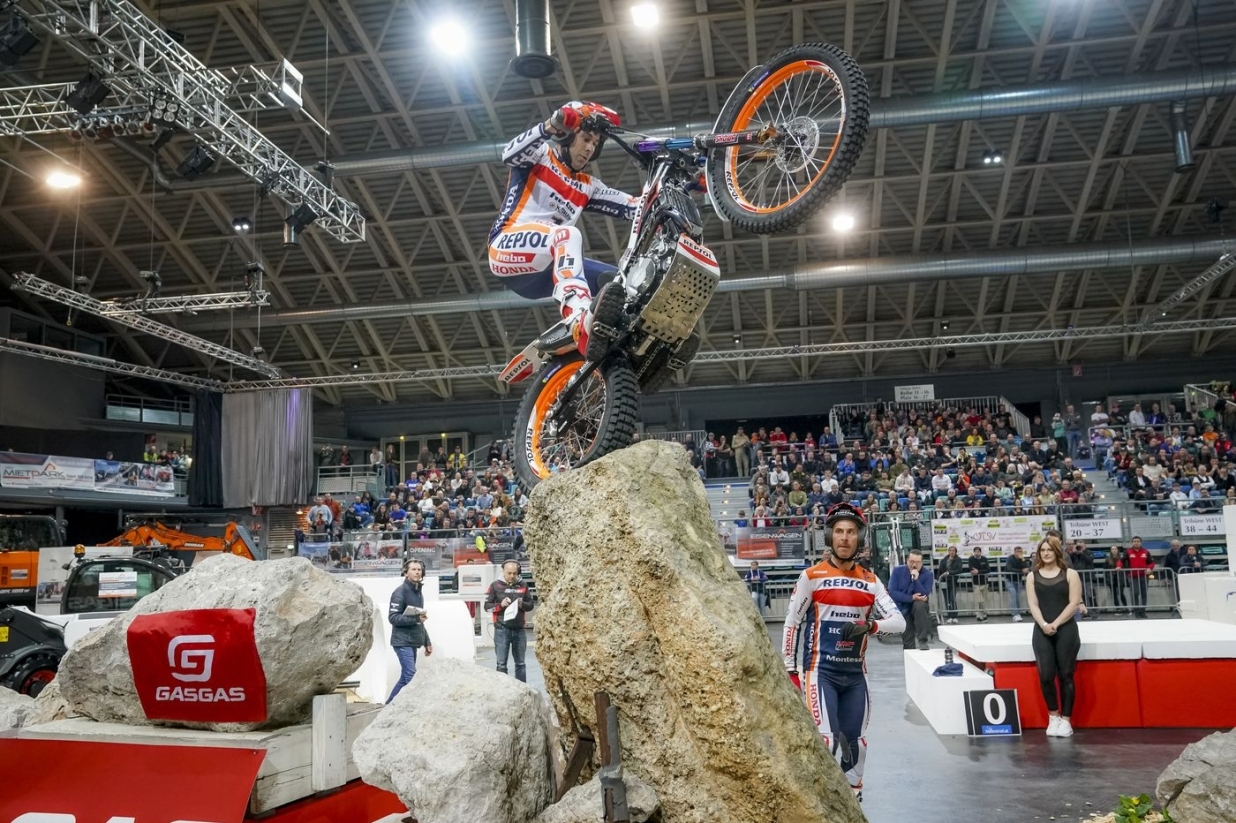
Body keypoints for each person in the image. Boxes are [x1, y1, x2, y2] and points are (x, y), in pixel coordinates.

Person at [489, 102, 637, 360]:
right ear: (568, 136)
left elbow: (635, 206)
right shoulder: (541, 155)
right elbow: (508, 154)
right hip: (505, 248)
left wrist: (686, 183)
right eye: (586, 139)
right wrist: (551, 125)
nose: (590, 148)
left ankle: (625, 345)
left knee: (621, 282)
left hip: (544, 274)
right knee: (567, 234)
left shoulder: (588, 185)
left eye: (595, 143)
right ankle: (576, 314)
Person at [782, 503, 905, 802]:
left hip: (855, 677)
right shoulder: (811, 576)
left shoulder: (871, 581)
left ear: (859, 538)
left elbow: (899, 623)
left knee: (857, 745)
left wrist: (870, 626)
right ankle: (817, 804)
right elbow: (792, 623)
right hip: (820, 672)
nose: (845, 538)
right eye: (838, 531)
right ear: (829, 537)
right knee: (826, 741)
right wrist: (791, 671)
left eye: (851, 532)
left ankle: (851, 802)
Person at [1026, 535, 1083, 737]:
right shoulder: (1032, 576)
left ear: (1057, 551)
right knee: (1046, 675)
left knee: (1066, 675)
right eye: (1043, 550)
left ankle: (1066, 720)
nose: (1046, 553)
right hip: (1041, 630)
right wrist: (1043, 624)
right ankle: (1053, 716)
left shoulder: (1071, 574)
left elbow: (1074, 603)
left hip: (1066, 629)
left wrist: (1056, 624)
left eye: (1050, 549)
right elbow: (1033, 604)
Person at [386, 559, 433, 702]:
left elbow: (420, 618)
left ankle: (388, 706)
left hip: (413, 641)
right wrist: (416, 619)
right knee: (411, 676)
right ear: (406, 572)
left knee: (405, 677)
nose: (417, 572)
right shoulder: (399, 592)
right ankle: (391, 707)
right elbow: (393, 618)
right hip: (402, 641)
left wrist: (427, 641)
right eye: (413, 569)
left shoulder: (418, 592)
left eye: (419, 569)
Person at [484, 559, 535, 682]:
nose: (512, 576)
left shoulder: (523, 585)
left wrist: (522, 604)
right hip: (502, 630)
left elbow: (531, 605)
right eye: (509, 573)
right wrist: (500, 605)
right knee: (501, 664)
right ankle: (503, 691)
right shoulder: (495, 586)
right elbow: (487, 607)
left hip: (519, 630)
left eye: (514, 573)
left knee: (521, 664)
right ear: (503, 571)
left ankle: (522, 690)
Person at [888, 551, 935, 650]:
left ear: (922, 562)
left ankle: (923, 640)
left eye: (917, 562)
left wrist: (916, 580)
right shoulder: (897, 571)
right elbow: (892, 592)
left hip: (919, 609)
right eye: (911, 561)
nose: (914, 565)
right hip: (902, 609)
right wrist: (911, 598)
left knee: (919, 604)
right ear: (907, 560)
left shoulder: (928, 575)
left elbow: (924, 594)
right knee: (908, 644)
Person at [1123, 536, 1154, 618]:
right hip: (1132, 576)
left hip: (1143, 576)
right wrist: (1119, 566)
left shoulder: (1146, 552)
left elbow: (1151, 563)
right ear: (1132, 542)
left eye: (1138, 541)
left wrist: (1149, 568)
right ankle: (1136, 611)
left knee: (1144, 594)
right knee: (1135, 593)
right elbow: (1121, 561)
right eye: (1134, 541)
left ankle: (1143, 612)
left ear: (1141, 542)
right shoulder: (1128, 552)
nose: (1136, 542)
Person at [936, 546, 964, 624]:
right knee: (946, 599)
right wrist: (939, 580)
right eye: (950, 550)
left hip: (953, 582)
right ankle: (949, 616)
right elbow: (940, 571)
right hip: (944, 582)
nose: (952, 552)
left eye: (953, 550)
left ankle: (954, 616)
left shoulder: (958, 560)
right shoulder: (944, 560)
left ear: (956, 552)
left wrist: (949, 573)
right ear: (948, 551)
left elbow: (959, 570)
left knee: (952, 599)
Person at [1006, 546, 1030, 621]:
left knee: (1017, 597)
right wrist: (1021, 571)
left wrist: (1022, 559)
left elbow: (1026, 568)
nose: (1019, 553)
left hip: (1018, 580)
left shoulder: (1022, 559)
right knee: (1013, 594)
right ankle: (1015, 614)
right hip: (1009, 580)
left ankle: (1018, 613)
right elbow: (1009, 568)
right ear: (1014, 552)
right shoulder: (1010, 558)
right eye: (1018, 551)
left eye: (1020, 551)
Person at [968, 547, 991, 622]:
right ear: (974, 552)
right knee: (980, 600)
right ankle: (984, 613)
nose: (977, 553)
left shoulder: (984, 559)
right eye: (975, 551)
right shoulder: (971, 559)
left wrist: (978, 571)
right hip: (976, 583)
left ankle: (980, 615)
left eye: (978, 551)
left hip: (985, 582)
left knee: (984, 599)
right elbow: (971, 569)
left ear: (980, 552)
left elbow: (988, 569)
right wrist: (978, 571)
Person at [1104, 545, 1128, 613]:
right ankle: (1117, 608)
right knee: (1114, 594)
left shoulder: (1121, 559)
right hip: (1111, 578)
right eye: (1112, 549)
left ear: (1117, 550)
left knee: (1121, 593)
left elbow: (1125, 567)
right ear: (1110, 551)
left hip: (1120, 577)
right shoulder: (1107, 559)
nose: (1114, 550)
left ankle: (1126, 607)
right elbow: (1105, 569)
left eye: (1115, 549)